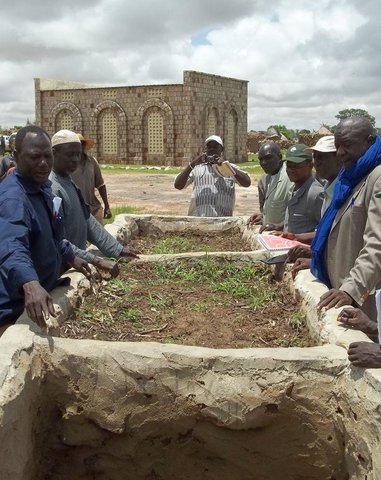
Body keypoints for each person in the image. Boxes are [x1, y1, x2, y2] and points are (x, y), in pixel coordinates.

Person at [0, 126, 92, 336]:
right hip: (13, 307)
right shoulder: (13, 198)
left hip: (43, 289)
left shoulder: (42, 188)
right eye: (34, 157)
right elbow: (11, 245)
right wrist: (30, 283)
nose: (43, 163)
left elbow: (52, 236)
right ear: (15, 156)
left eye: (47, 156)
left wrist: (69, 256)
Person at [311, 117, 381, 323]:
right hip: (344, 290)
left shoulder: (376, 178)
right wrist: (318, 256)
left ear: (369, 141)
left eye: (347, 145)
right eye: (338, 146)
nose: (340, 153)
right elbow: (344, 235)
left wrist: (351, 290)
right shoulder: (351, 177)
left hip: (363, 299)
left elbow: (377, 244)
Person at [50, 130, 138, 271]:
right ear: (54, 153)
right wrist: (96, 260)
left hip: (75, 263)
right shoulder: (52, 189)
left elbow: (87, 220)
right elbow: (57, 239)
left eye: (77, 154)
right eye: (70, 154)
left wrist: (117, 250)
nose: (75, 160)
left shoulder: (68, 181)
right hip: (62, 267)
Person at [288, 136, 342, 269]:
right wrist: (295, 237)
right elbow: (324, 232)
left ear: (339, 159)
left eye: (323, 157)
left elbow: (340, 239)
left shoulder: (343, 192)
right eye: (316, 157)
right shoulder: (328, 190)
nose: (318, 162)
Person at [174, 135, 251, 216]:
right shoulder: (197, 168)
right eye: (209, 147)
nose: (211, 149)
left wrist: (226, 165)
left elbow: (247, 182)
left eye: (215, 147)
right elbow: (178, 185)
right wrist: (192, 164)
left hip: (223, 222)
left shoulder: (229, 168)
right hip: (198, 222)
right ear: (205, 150)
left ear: (221, 149)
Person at [271, 144, 324, 234]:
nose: (291, 170)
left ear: (310, 166)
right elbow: (299, 222)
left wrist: (297, 237)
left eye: (296, 166)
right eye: (289, 166)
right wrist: (280, 226)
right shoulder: (293, 189)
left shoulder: (315, 194)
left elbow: (325, 231)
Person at [248, 142, 293, 230]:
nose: (264, 163)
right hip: (269, 236)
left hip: (286, 236)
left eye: (268, 158)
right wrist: (263, 216)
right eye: (261, 159)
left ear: (280, 157)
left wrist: (279, 226)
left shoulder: (290, 178)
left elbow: (298, 215)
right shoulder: (264, 180)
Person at [71, 134, 112, 224]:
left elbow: (100, 185)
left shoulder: (92, 162)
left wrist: (107, 206)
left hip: (93, 209)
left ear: (84, 146)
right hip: (75, 211)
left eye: (82, 144)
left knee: (100, 237)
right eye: (77, 144)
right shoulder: (68, 164)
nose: (80, 146)